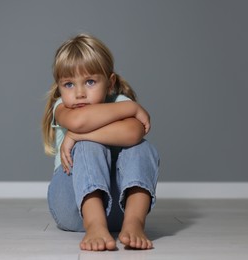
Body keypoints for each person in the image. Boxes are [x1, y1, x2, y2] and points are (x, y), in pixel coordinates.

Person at [42, 33, 160, 251]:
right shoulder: (62, 107)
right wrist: (133, 108)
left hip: (119, 208)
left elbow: (135, 132)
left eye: (90, 81)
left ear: (110, 83)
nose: (79, 93)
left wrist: (78, 136)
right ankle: (95, 225)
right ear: (59, 88)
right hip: (72, 206)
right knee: (89, 147)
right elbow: (78, 122)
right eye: (68, 84)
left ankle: (134, 223)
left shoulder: (117, 101)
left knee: (142, 148)